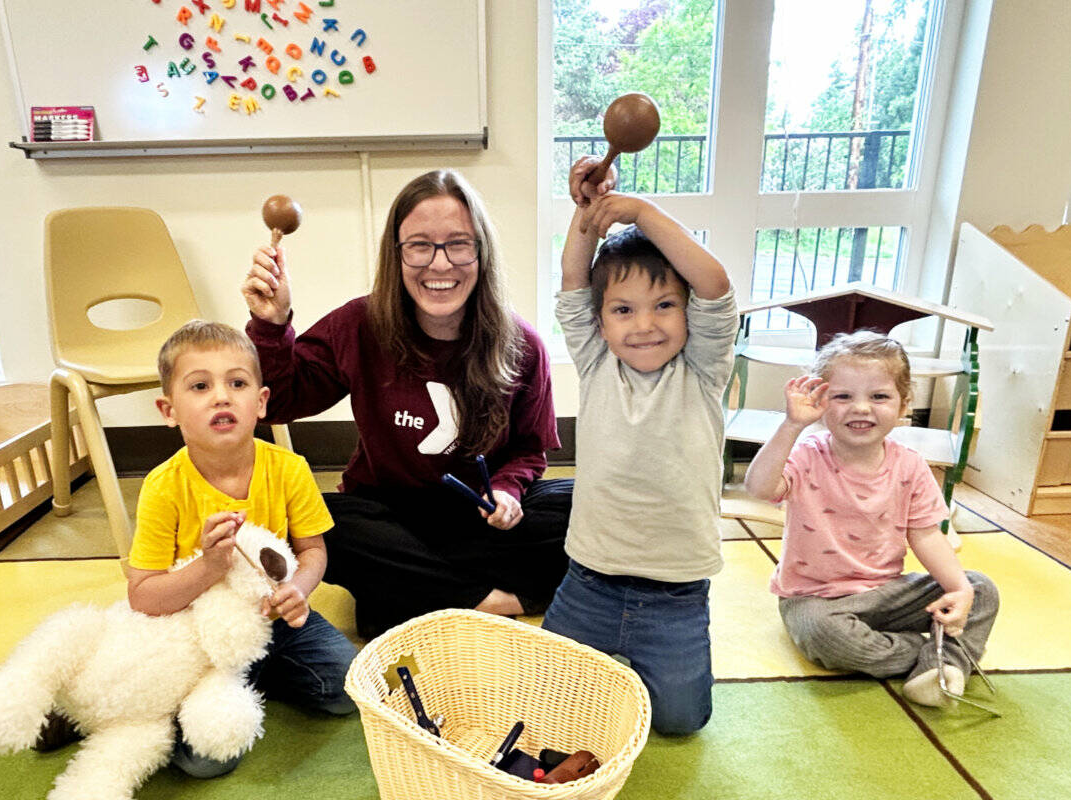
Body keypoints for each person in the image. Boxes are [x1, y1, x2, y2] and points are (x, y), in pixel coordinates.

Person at [241, 170, 572, 638]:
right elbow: (279, 401)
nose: (440, 265)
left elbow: (529, 451)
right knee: (321, 524)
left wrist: (507, 492)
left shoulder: (522, 344)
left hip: (479, 520)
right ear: (396, 255)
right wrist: (272, 326)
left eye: (458, 244)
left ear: (481, 253)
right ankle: (492, 600)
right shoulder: (360, 323)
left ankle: (411, 597)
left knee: (585, 507)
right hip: (390, 517)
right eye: (419, 245)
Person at [540, 156, 737, 735]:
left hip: (675, 594)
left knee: (681, 721)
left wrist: (644, 214)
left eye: (664, 306)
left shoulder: (702, 367)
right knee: (549, 707)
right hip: (590, 582)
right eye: (623, 310)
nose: (644, 324)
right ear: (601, 322)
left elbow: (716, 285)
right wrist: (586, 214)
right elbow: (574, 282)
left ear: (687, 315)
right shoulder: (598, 363)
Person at [125, 320, 357, 778]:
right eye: (200, 385)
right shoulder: (163, 486)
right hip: (198, 635)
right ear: (168, 410)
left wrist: (297, 588)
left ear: (262, 402)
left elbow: (313, 552)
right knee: (205, 762)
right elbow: (144, 597)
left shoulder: (289, 468)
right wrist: (211, 566)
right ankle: (134, 712)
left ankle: (255, 677)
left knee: (350, 688)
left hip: (274, 624)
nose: (221, 396)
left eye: (237, 382)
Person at [743, 330, 999, 707]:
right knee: (826, 636)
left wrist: (959, 590)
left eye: (879, 396)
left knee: (981, 588)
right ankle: (938, 657)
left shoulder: (910, 465)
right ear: (821, 400)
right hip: (814, 600)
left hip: (886, 594)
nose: (860, 408)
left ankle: (938, 662)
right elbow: (759, 488)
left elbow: (927, 536)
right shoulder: (806, 454)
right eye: (842, 396)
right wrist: (791, 425)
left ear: (902, 404)